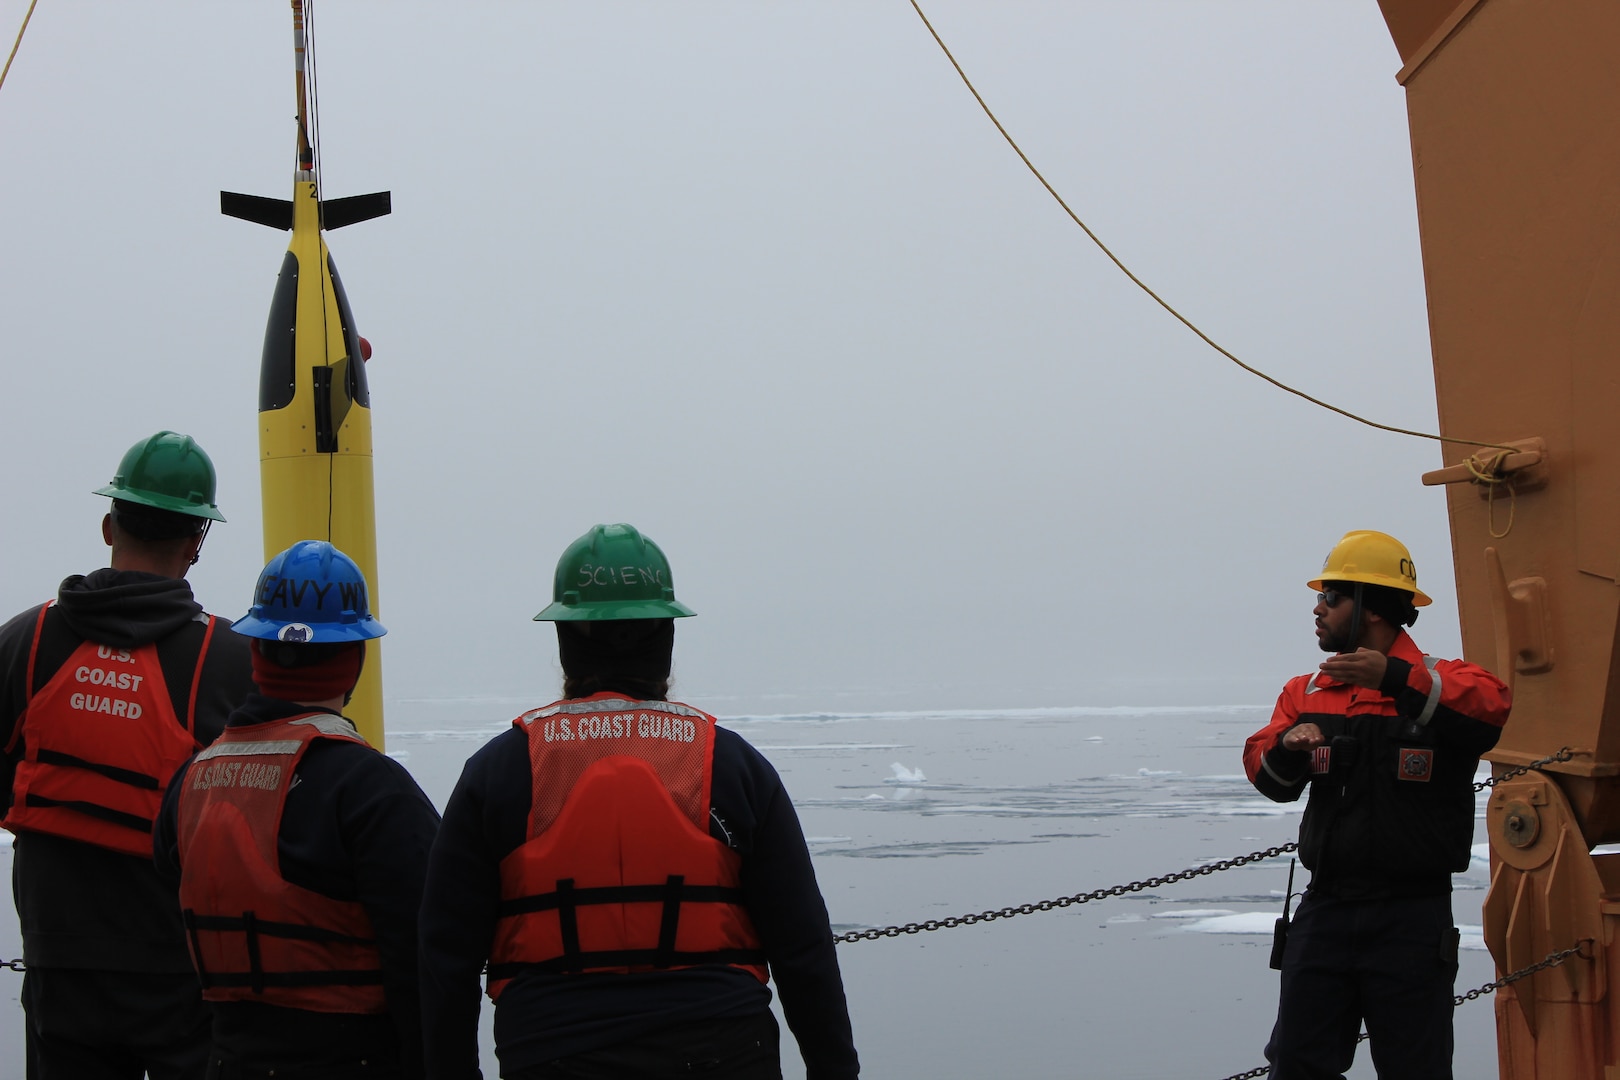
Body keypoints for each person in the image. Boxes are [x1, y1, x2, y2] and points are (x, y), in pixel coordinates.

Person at [419, 523, 859, 1080]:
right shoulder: (733, 766)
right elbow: (804, 949)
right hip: (722, 1053)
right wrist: (834, 1070)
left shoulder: (499, 772)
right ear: (666, 636)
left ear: (565, 637)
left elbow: (445, 958)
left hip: (553, 1055)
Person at [0, 431, 255, 1080]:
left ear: (110, 523)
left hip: (60, 963)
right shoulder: (225, 662)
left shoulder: (27, 641)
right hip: (181, 971)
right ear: (197, 540)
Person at [153, 540, 440, 1080]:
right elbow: (424, 960)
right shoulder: (372, 790)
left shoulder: (190, 783)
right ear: (354, 658)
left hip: (228, 1059)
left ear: (255, 651)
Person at [1243, 530, 1512, 1079]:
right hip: (1325, 912)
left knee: (1415, 1067)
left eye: (1332, 597)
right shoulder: (1306, 692)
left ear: (1369, 607)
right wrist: (1289, 746)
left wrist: (1395, 677)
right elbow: (1266, 775)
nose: (1317, 609)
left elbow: (1491, 709)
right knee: (1297, 1063)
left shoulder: (1446, 681)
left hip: (1411, 917)